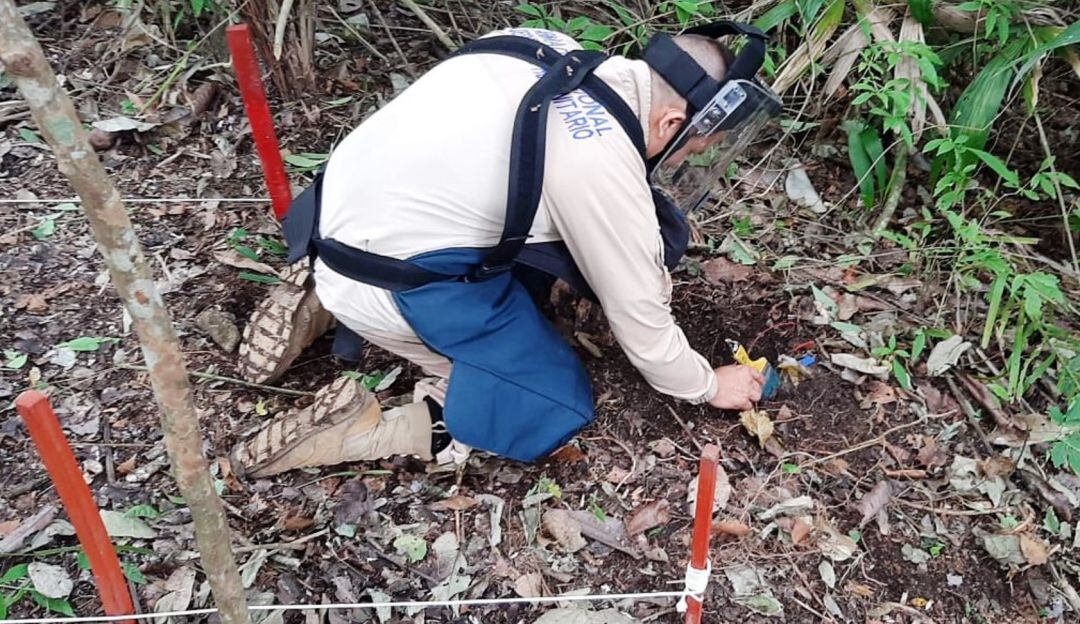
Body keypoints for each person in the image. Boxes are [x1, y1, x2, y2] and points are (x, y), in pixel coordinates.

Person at [230, 21, 782, 478]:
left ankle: (317, 290)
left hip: (332, 219)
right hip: (387, 278)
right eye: (693, 147)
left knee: (513, 240)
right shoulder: (600, 162)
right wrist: (706, 384)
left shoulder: (542, 46)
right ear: (672, 122)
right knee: (552, 400)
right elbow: (640, 316)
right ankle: (387, 424)